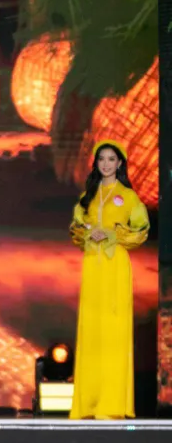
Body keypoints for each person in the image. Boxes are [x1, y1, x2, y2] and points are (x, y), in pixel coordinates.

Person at [69, 140, 150, 419]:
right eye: (101, 159)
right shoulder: (87, 197)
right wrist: (88, 233)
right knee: (92, 330)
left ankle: (112, 405)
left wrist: (114, 234)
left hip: (116, 265)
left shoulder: (128, 197)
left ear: (120, 164)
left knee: (114, 330)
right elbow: (76, 228)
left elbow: (141, 229)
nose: (106, 164)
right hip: (93, 265)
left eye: (111, 159)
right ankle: (89, 404)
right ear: (96, 163)